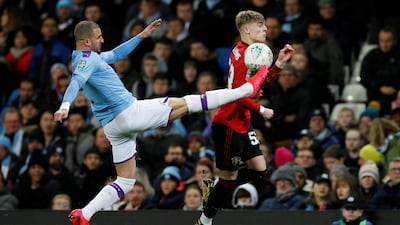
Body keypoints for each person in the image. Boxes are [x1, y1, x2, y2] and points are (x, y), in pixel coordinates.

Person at [54, 18, 271, 225]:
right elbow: (76, 81)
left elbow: (115, 54)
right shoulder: (86, 60)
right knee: (187, 103)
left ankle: (85, 213)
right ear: (86, 41)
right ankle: (245, 90)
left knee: (126, 181)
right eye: (99, 37)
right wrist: (65, 106)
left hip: (113, 127)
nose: (102, 40)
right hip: (129, 113)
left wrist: (141, 36)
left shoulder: (86, 57)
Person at [195, 10, 294, 225]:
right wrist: (261, 109)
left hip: (242, 120)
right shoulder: (245, 57)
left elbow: (261, 83)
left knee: (261, 171)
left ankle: (219, 184)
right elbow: (239, 95)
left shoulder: (253, 51)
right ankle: (205, 220)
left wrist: (279, 64)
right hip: (228, 121)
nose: (266, 29)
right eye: (261, 26)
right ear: (247, 29)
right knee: (230, 179)